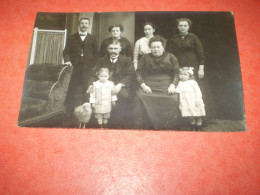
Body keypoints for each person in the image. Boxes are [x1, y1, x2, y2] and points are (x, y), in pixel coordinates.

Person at [167, 17, 216, 122]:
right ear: (177, 27)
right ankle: (185, 118)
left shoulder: (194, 38)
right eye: (180, 25)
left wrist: (201, 69)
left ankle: (200, 117)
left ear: (188, 27)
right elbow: (170, 54)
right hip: (179, 67)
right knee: (182, 91)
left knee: (196, 92)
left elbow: (200, 53)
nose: (183, 28)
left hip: (194, 66)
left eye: (185, 25)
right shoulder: (174, 39)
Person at [133, 35, 180, 130]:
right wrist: (143, 85)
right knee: (140, 96)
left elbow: (176, 73)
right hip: (148, 84)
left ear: (163, 47)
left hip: (165, 84)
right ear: (150, 48)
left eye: (158, 47)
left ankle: (167, 126)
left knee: (173, 98)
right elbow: (138, 73)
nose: (156, 49)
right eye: (153, 47)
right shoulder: (145, 58)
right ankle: (145, 125)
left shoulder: (171, 57)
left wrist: (172, 85)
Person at [88, 40, 135, 128]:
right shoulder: (101, 60)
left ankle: (119, 123)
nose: (113, 51)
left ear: (120, 49)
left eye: (116, 48)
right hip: (103, 85)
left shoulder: (127, 60)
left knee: (123, 95)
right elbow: (92, 74)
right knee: (95, 96)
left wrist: (120, 84)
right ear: (107, 49)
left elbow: (131, 75)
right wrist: (91, 85)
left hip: (119, 86)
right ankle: (100, 123)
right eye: (111, 48)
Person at [63, 18, 98, 121]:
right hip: (74, 68)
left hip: (88, 69)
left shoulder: (93, 38)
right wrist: (67, 60)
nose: (84, 25)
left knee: (86, 90)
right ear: (79, 25)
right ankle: (69, 112)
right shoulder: (72, 37)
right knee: (72, 90)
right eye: (82, 23)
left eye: (86, 23)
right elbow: (66, 52)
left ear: (88, 25)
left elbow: (96, 54)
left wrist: (95, 67)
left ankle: (86, 114)